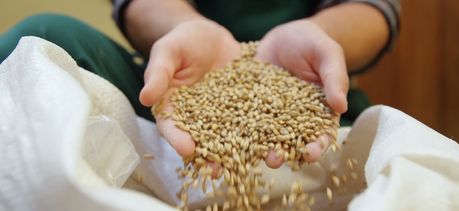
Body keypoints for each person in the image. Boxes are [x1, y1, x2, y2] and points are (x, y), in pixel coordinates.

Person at [0, 0, 400, 168]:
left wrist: (317, 36)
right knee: (38, 35)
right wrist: (185, 28)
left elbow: (375, 7)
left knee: (387, 156)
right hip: (178, 78)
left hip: (310, 88)